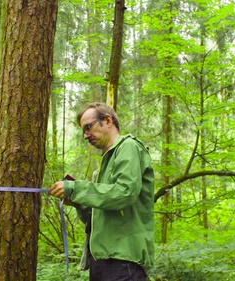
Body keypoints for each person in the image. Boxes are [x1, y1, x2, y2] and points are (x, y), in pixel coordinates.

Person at [48, 102, 155, 281]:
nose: (85, 135)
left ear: (107, 120)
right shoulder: (105, 164)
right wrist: (79, 203)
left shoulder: (128, 147)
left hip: (123, 262)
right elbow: (96, 217)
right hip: (102, 263)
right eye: (83, 131)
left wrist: (76, 188)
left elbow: (124, 193)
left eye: (88, 127)